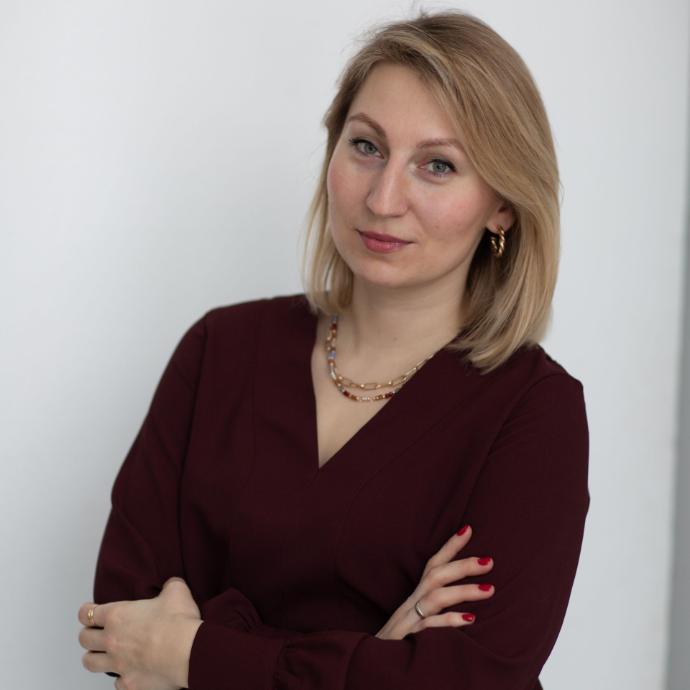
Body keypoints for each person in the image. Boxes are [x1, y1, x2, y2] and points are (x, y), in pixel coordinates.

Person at [77, 9, 590, 690]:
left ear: (502, 205)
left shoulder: (534, 411)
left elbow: (471, 678)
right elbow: (120, 630)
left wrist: (192, 652)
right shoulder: (219, 351)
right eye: (367, 146)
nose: (383, 197)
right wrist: (371, 656)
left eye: (437, 165)